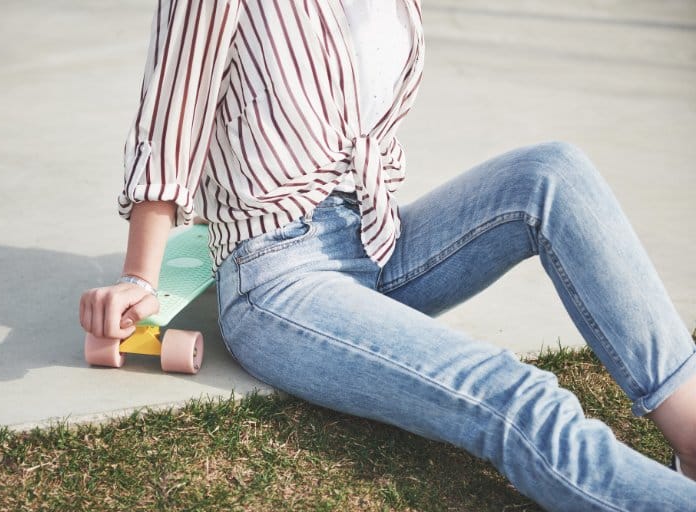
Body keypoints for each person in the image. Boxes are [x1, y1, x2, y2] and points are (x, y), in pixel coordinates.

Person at [79, 1, 696, 509]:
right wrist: (142, 276)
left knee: (551, 174)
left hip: (376, 236)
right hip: (279, 275)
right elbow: (171, 120)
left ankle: (691, 440)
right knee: (510, 392)